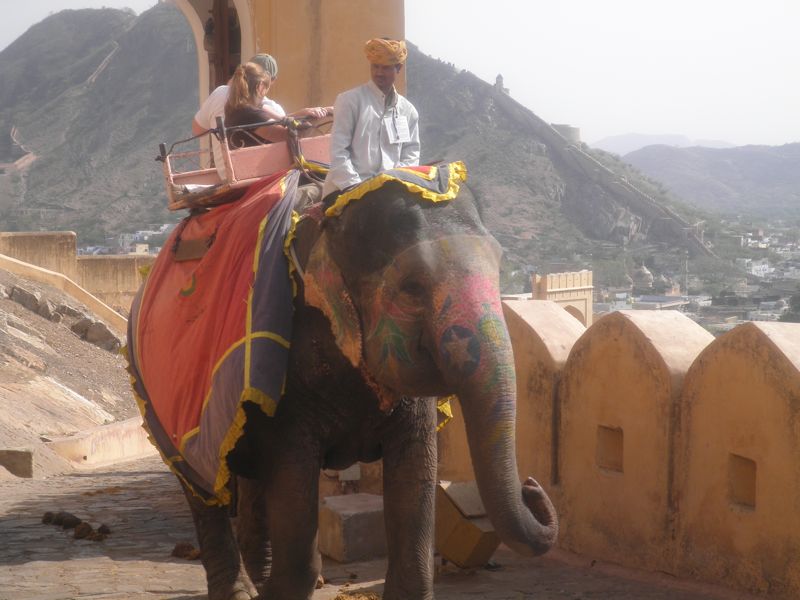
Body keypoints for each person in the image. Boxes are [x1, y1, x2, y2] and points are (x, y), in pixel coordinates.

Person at [192, 54, 331, 176]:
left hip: (226, 172)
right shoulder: (253, 112)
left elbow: (197, 130)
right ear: (261, 86)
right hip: (255, 174)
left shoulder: (231, 103)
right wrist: (317, 117)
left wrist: (300, 114)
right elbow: (287, 134)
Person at [321, 38, 420, 200]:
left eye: (386, 68)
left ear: (399, 68)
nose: (379, 73)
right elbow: (338, 151)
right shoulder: (349, 101)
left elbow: (411, 154)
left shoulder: (408, 111)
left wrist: (393, 182)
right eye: (375, 66)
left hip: (389, 192)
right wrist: (356, 188)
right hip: (346, 190)